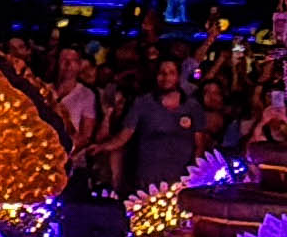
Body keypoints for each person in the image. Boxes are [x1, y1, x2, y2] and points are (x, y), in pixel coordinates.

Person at [83, 57, 207, 191]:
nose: (166, 77)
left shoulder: (193, 107)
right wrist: (101, 147)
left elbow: (199, 145)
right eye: (162, 73)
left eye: (171, 73)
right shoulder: (143, 103)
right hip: (148, 180)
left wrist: (195, 177)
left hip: (181, 180)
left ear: (178, 77)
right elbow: (124, 136)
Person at [51, 45, 99, 149]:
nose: (68, 65)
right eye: (64, 60)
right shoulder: (44, 89)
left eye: (73, 60)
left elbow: (86, 135)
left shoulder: (87, 95)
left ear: (79, 65)